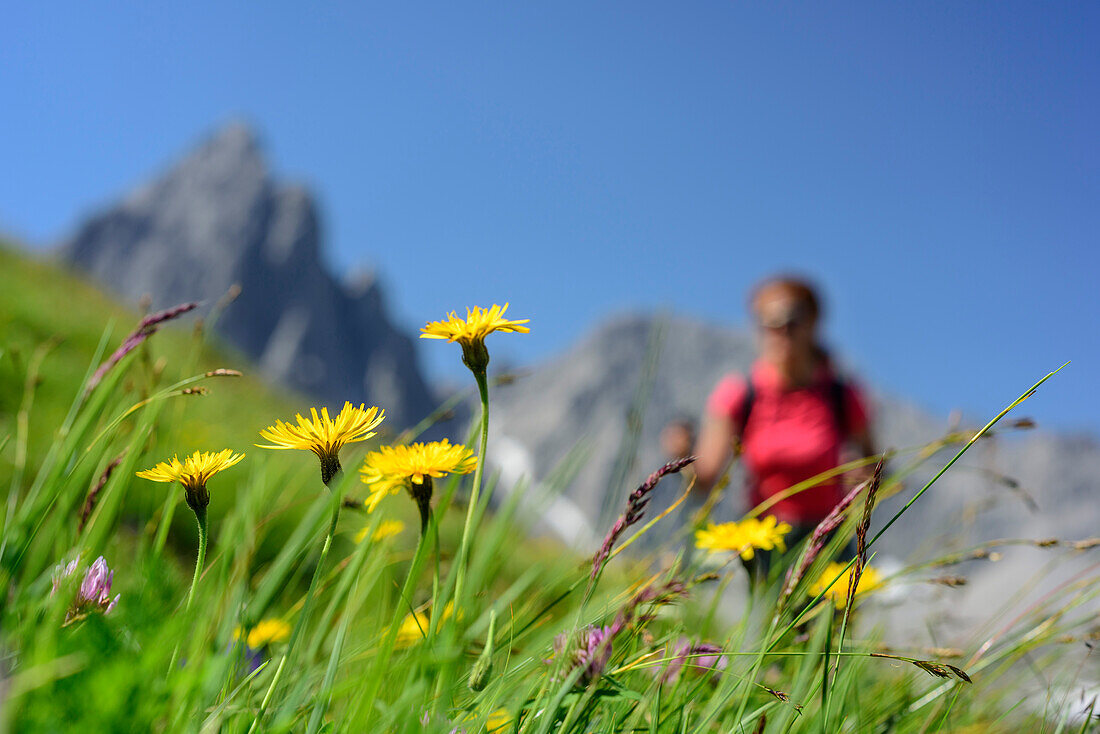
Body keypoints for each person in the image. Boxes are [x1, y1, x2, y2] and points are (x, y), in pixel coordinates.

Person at [692, 276, 876, 574]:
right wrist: (682, 453)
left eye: (791, 323)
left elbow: (876, 469)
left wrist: (861, 474)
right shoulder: (739, 394)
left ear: (813, 325)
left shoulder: (842, 395)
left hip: (830, 538)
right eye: (769, 324)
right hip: (765, 541)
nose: (781, 333)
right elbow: (703, 479)